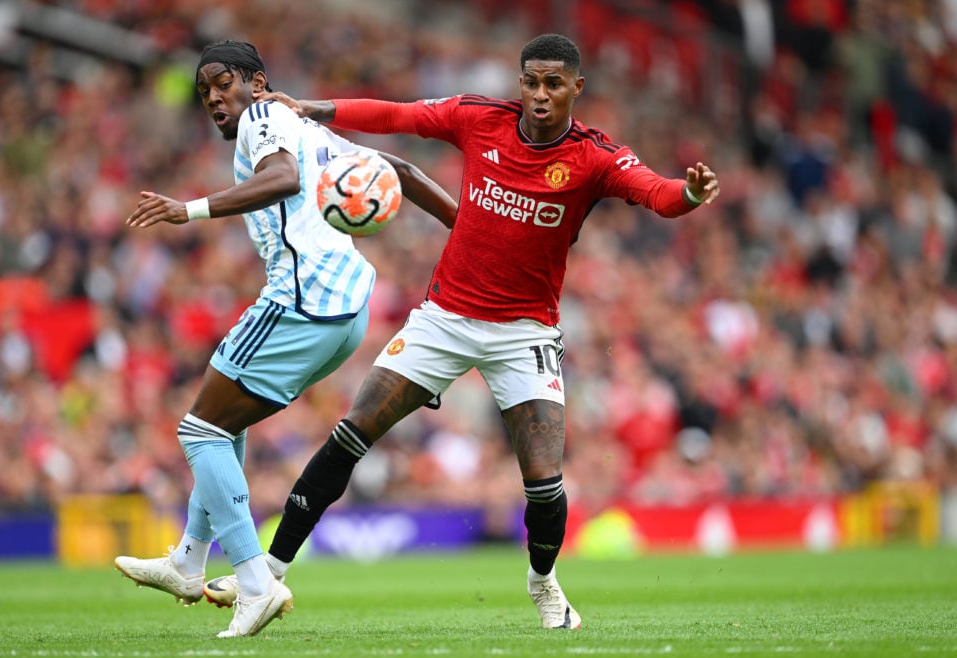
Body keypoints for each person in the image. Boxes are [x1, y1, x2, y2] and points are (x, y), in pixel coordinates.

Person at [205, 32, 720, 630]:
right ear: (520, 83)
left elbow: (656, 194)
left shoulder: (594, 157)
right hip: (443, 319)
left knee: (545, 483)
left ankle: (543, 583)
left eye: (554, 83)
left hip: (524, 333)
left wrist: (688, 193)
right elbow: (400, 114)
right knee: (350, 434)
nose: (540, 95)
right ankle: (270, 571)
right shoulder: (481, 119)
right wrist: (316, 108)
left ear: (576, 87)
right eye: (531, 82)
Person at [113, 40, 457, 639]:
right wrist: (470, 230)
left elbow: (281, 178)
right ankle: (190, 561)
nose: (215, 99)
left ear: (257, 81)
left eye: (223, 83)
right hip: (346, 307)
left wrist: (186, 210)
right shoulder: (304, 125)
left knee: (198, 430)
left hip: (304, 299)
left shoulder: (263, 117)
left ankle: (254, 583)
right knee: (222, 424)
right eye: (204, 93)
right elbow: (398, 173)